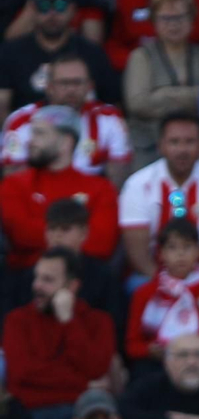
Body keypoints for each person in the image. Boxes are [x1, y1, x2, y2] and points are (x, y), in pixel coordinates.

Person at [0, 249, 117, 419]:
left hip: (88, 415)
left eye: (48, 280)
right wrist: (84, 385)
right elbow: (24, 374)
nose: (37, 286)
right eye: (37, 277)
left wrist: (68, 322)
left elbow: (96, 367)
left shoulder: (98, 321)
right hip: (35, 417)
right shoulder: (17, 320)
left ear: (72, 286)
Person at [0, 109, 118, 290]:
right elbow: (18, 233)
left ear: (65, 142)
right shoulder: (14, 184)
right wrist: (74, 235)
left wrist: (41, 233)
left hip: (83, 281)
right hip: (26, 282)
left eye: (39, 133)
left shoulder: (100, 188)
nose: (30, 141)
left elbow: (102, 243)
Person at [119, 113, 199, 283]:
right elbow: (137, 252)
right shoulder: (137, 184)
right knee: (136, 285)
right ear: (161, 146)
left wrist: (193, 282)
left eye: (189, 142)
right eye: (174, 142)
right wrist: (166, 285)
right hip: (153, 276)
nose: (182, 150)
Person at [126, 218, 199, 372]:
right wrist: (150, 350)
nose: (180, 254)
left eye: (187, 247)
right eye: (172, 248)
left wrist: (194, 349)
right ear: (161, 254)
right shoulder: (145, 293)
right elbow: (132, 345)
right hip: (157, 364)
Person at [1, 53, 133, 186]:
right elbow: (14, 180)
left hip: (91, 199)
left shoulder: (109, 118)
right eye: (64, 83)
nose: (71, 90)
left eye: (77, 83)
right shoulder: (22, 121)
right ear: (49, 87)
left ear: (89, 86)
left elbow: (118, 178)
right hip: (38, 198)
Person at [121, 0, 199, 168]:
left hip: (197, 142)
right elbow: (138, 103)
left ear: (192, 19)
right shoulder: (141, 56)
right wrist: (191, 96)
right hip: (149, 143)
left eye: (180, 17)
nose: (173, 24)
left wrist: (162, 95)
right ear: (154, 22)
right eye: (166, 18)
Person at [0, 0, 120, 116]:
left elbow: (111, 105)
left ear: (72, 10)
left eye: (60, 5)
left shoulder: (93, 53)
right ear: (33, 10)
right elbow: (2, 108)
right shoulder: (11, 53)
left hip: (83, 131)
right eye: (44, 6)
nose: (52, 13)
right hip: (26, 131)